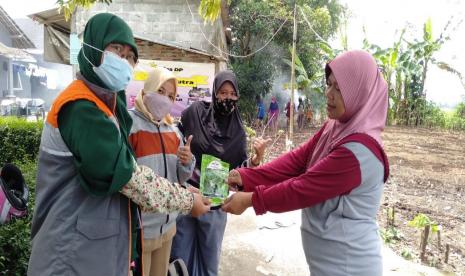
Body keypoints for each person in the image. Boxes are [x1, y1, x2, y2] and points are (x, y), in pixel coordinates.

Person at [28, 13, 209, 276]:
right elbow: (129, 177)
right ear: (93, 46)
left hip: (95, 251)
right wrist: (185, 200)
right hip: (69, 255)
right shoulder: (81, 107)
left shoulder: (109, 109)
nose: (124, 61)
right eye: (116, 49)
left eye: (130, 56)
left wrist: (185, 174)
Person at [222, 50, 390, 276]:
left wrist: (252, 200)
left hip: (349, 265)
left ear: (360, 92)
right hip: (327, 263)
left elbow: (303, 188)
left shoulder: (360, 151)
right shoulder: (336, 127)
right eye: (329, 84)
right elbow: (298, 160)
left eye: (339, 89)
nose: (329, 94)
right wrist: (247, 176)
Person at [170, 70, 270, 276]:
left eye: (232, 94)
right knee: (179, 256)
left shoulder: (239, 132)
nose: (227, 98)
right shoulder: (195, 113)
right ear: (215, 92)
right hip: (187, 196)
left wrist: (255, 160)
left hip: (215, 206)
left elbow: (240, 171)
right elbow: (175, 139)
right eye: (223, 93)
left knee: (209, 259)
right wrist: (181, 152)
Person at [128, 67, 197, 276]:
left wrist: (187, 161)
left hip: (168, 226)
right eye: (161, 91)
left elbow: (180, 178)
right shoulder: (130, 125)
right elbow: (127, 177)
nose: (165, 99)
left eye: (171, 96)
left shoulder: (173, 131)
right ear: (148, 89)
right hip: (141, 229)